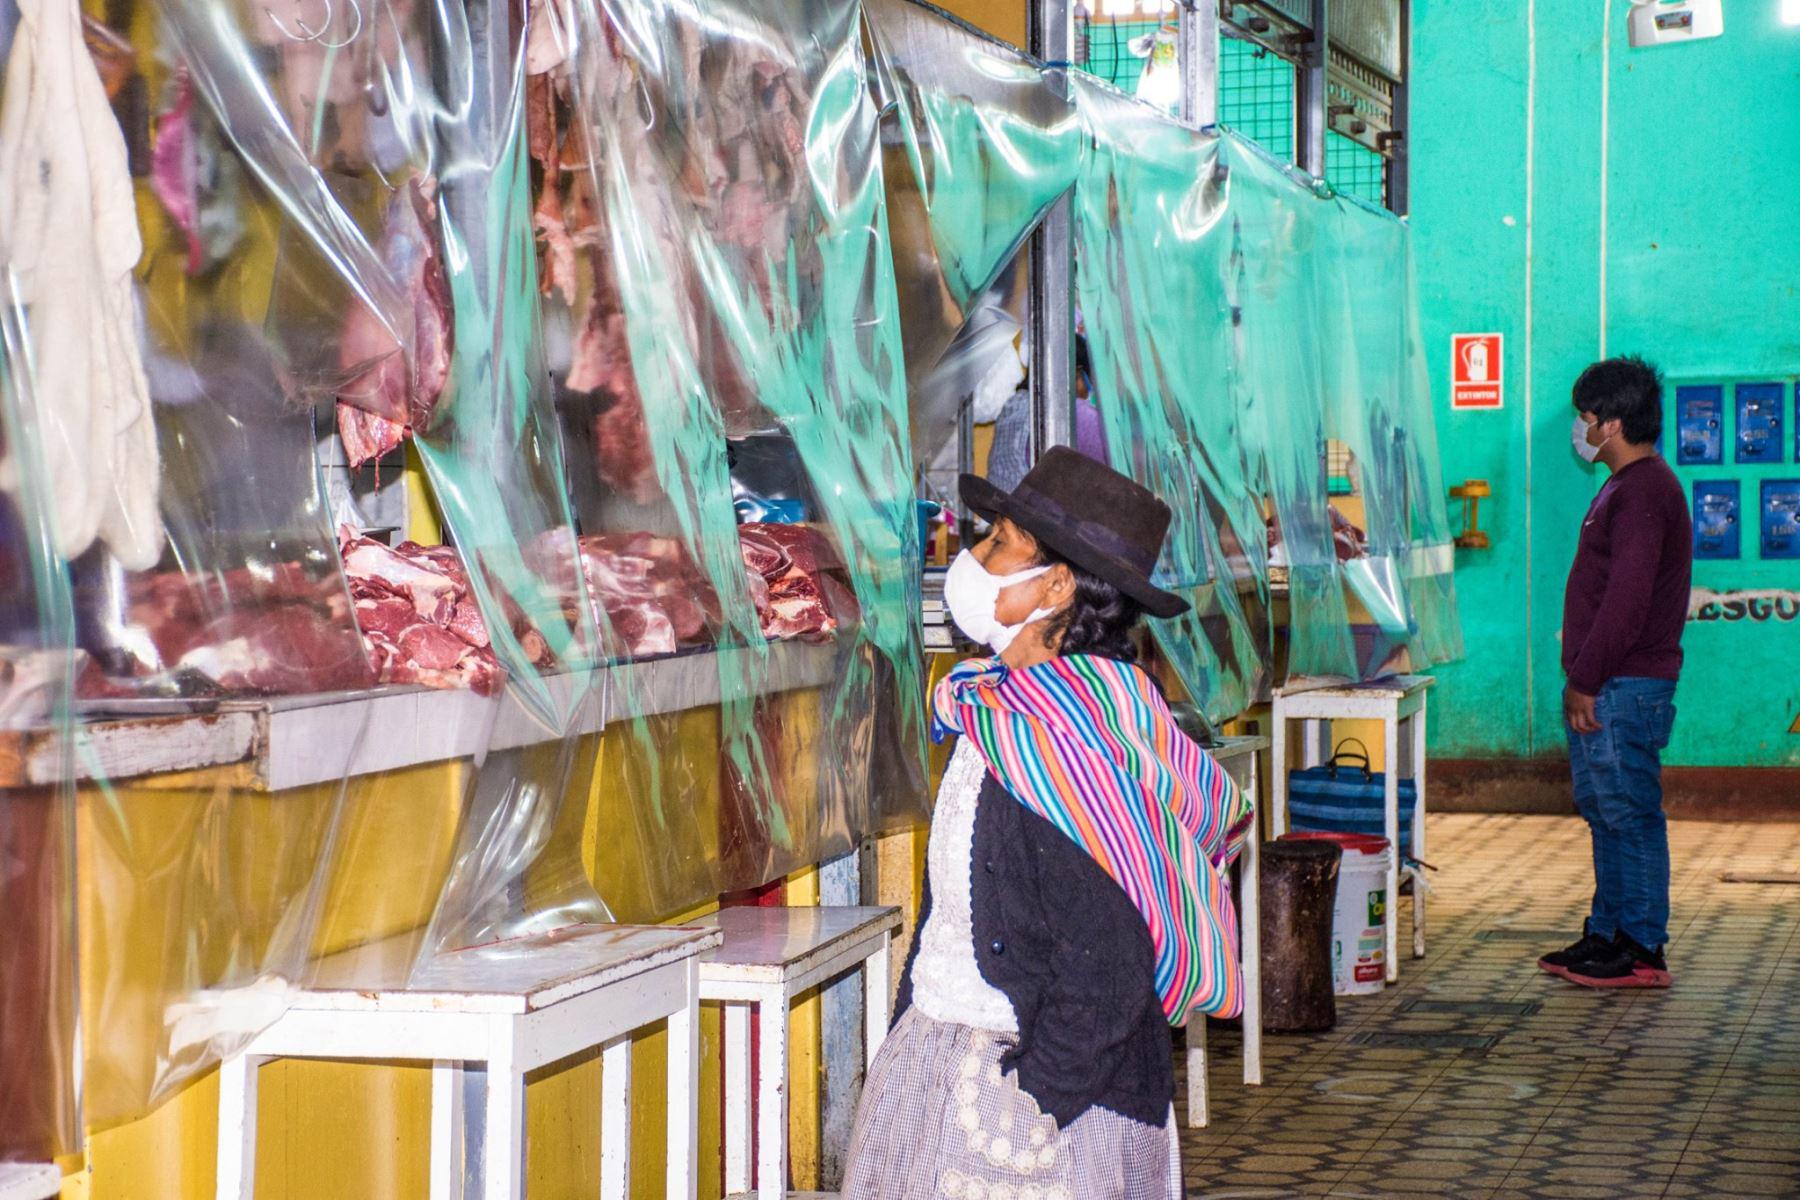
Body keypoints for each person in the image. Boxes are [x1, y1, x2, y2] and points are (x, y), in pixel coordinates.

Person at [842, 447, 1252, 1200]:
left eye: (1000, 542)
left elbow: (1107, 971)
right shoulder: (1003, 711)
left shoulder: (1061, 747)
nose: (975, 556)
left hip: (1038, 1121)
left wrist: (1029, 1106)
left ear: (1057, 585)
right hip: (957, 1069)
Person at [1538, 357, 1691, 990]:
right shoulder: (1625, 488)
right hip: (1611, 683)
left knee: (1629, 813)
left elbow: (1625, 602)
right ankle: (1607, 931)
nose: (1581, 428)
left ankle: (1641, 946)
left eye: (1587, 417)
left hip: (1622, 687)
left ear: (1614, 423)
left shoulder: (1645, 491)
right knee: (1606, 812)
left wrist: (1586, 680)